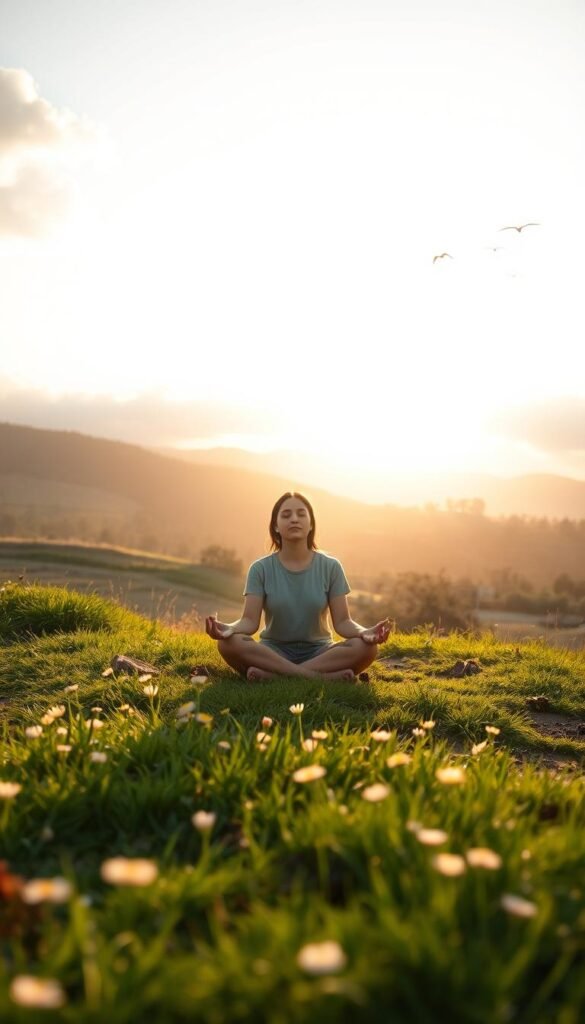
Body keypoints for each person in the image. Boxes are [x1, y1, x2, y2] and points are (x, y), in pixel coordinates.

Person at [205, 491, 391, 681]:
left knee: (367, 648)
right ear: (276, 526)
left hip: (321, 653)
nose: (294, 519)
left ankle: (275, 677)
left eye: (301, 514)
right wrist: (228, 628)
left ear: (311, 524)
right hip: (273, 652)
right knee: (228, 644)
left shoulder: (331, 567)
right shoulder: (260, 569)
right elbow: (249, 622)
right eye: (286, 515)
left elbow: (343, 622)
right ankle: (319, 678)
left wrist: (364, 632)